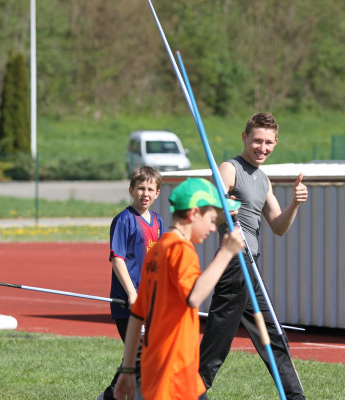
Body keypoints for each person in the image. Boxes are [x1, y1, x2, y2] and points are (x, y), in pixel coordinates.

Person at [199, 112, 308, 400]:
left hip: (251, 265)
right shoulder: (229, 168)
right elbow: (207, 208)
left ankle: (295, 396)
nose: (262, 148)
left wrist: (295, 203)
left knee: (273, 336)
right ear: (245, 137)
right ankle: (189, 391)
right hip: (235, 263)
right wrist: (224, 207)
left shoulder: (263, 179)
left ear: (276, 143)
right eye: (257, 140)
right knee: (217, 343)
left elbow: (278, 226)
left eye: (268, 142)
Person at [113, 177, 244, 400]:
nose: (213, 228)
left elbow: (137, 315)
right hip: (175, 374)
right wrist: (226, 253)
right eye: (212, 220)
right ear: (193, 214)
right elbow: (194, 297)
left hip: (160, 368)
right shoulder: (182, 251)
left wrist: (127, 368)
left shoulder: (157, 249)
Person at [98, 165, 165, 400]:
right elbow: (117, 258)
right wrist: (132, 293)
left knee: (142, 357)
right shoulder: (124, 220)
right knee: (139, 356)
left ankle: (111, 396)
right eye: (140, 188)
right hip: (128, 303)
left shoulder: (158, 221)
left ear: (157, 193)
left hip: (150, 302)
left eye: (150, 189)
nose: (145, 193)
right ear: (131, 190)